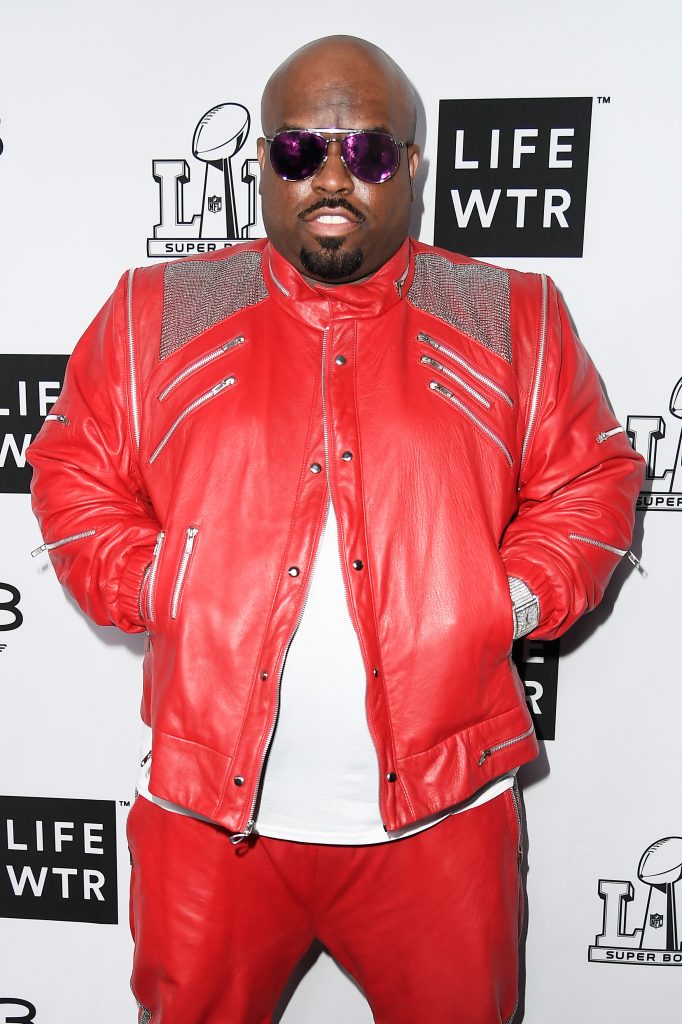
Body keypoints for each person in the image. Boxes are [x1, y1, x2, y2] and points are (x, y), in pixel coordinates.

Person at [28, 34, 644, 1024]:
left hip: (446, 816)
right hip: (206, 818)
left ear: (411, 165)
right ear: (261, 162)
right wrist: (157, 585)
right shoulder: (158, 308)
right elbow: (72, 467)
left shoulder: (508, 313)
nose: (330, 177)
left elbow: (593, 478)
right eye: (296, 151)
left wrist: (506, 597)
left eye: (365, 154)